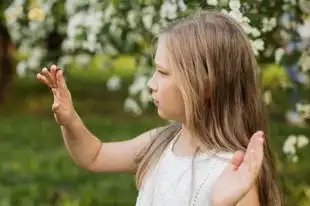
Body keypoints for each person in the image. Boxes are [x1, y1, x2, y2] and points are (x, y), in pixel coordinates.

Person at [37, 10, 282, 206]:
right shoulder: (161, 143)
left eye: (163, 73)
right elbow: (95, 155)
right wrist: (70, 120)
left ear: (206, 85)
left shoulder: (235, 176)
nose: (150, 83)